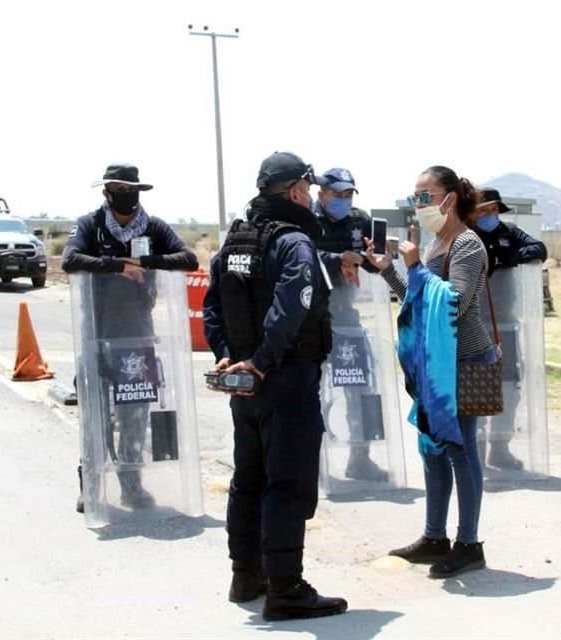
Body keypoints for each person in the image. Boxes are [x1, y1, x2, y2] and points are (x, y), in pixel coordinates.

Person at [203, 152, 347, 620]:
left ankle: (247, 575)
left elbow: (212, 306)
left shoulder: (235, 240)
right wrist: (261, 361)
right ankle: (285, 586)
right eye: (309, 188)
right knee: (287, 483)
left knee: (249, 478)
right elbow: (293, 306)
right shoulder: (293, 241)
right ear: (295, 192)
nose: (313, 197)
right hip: (282, 377)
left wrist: (227, 356)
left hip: (245, 384)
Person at [363, 165, 494, 579]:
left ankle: (469, 544)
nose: (418, 204)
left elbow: (453, 303)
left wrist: (416, 266)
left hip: (467, 361)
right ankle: (434, 535)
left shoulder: (468, 244)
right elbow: (417, 302)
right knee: (432, 449)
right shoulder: (438, 241)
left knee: (461, 449)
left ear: (449, 199)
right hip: (434, 365)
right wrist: (388, 269)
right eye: (415, 197)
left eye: (424, 196)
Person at [62, 163, 197, 514]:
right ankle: (90, 485)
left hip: (137, 337)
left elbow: (188, 258)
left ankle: (131, 485)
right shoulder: (90, 225)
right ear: (107, 192)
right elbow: (70, 259)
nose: (126, 195)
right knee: (96, 414)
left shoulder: (153, 227)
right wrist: (119, 265)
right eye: (118, 189)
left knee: (135, 414)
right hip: (97, 334)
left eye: (130, 189)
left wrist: (146, 262)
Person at [312, 167, 389, 482]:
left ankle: (360, 457)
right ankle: (312, 463)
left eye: (348, 195)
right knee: (309, 391)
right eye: (337, 194)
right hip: (311, 317)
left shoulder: (360, 220)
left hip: (346, 316)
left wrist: (373, 258)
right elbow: (301, 257)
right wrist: (338, 258)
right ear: (322, 194)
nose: (343, 200)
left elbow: (378, 260)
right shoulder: (306, 219)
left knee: (360, 386)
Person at [468, 187, 547, 471]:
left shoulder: (508, 233)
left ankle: (499, 447)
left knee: (508, 387)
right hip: (475, 325)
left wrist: (507, 258)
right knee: (477, 387)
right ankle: (474, 446)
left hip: (506, 323)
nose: (489, 215)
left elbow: (539, 249)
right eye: (483, 210)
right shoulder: (465, 235)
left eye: (493, 210)